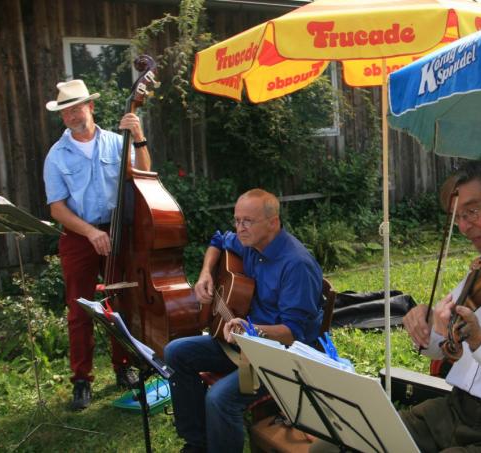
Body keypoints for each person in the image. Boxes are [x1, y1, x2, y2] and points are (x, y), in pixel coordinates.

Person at [312, 157, 481, 453]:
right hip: (459, 409)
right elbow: (441, 347)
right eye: (458, 217)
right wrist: (427, 326)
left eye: (472, 212)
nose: (464, 226)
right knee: (336, 444)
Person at [165, 188, 324, 453]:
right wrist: (206, 274)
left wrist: (250, 330)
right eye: (237, 220)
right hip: (243, 340)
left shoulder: (297, 265)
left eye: (247, 221)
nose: (239, 228)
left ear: (273, 222)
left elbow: (292, 333)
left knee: (220, 399)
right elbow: (218, 240)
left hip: (281, 355)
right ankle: (197, 443)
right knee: (176, 352)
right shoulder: (250, 243)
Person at [43, 79, 151, 410]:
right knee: (80, 309)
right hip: (79, 236)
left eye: (76, 108)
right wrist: (90, 232)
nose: (72, 116)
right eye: (66, 112)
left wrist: (139, 137)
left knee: (120, 301)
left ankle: (123, 366)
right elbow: (57, 208)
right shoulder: (56, 155)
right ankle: (81, 380)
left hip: (118, 231)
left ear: (90, 106)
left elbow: (144, 175)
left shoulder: (117, 142)